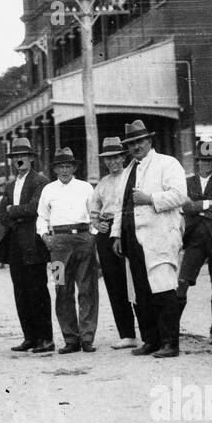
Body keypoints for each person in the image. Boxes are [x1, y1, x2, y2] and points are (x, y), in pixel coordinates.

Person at [110, 120, 188, 358]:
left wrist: (150, 198)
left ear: (149, 141)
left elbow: (179, 195)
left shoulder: (167, 163)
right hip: (132, 236)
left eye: (139, 141)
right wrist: (116, 234)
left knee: (163, 289)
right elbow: (119, 206)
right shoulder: (127, 172)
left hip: (160, 236)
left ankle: (170, 343)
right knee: (141, 292)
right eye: (131, 143)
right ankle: (150, 340)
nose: (136, 147)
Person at [0, 137, 53, 354]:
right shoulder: (10, 185)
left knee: (38, 291)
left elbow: (35, 208)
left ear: (31, 158)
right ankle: (30, 337)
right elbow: (0, 215)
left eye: (22, 156)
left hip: (34, 244)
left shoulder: (40, 181)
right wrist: (15, 213)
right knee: (21, 292)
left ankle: (46, 338)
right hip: (16, 244)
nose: (19, 160)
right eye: (15, 157)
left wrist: (12, 210)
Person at [37, 147, 100, 353]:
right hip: (58, 245)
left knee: (87, 288)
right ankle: (70, 339)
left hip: (82, 239)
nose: (64, 170)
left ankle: (87, 337)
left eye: (68, 166)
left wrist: (92, 235)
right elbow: (42, 217)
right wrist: (46, 237)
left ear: (74, 167)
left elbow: (95, 214)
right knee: (61, 288)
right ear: (55, 169)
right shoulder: (48, 190)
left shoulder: (85, 188)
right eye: (60, 166)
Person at [177, 140, 212, 344]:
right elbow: (185, 206)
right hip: (195, 239)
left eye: (210, 161)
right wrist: (209, 204)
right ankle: (173, 326)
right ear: (197, 161)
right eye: (203, 161)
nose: (207, 165)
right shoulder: (188, 182)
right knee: (183, 281)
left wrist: (198, 207)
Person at [90, 136, 139, 350]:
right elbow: (93, 207)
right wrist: (97, 223)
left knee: (135, 280)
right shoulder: (102, 183)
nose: (112, 162)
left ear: (123, 157)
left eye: (116, 157)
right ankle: (126, 333)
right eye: (108, 159)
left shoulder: (132, 176)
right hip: (106, 230)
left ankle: (148, 330)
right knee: (114, 282)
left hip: (129, 229)